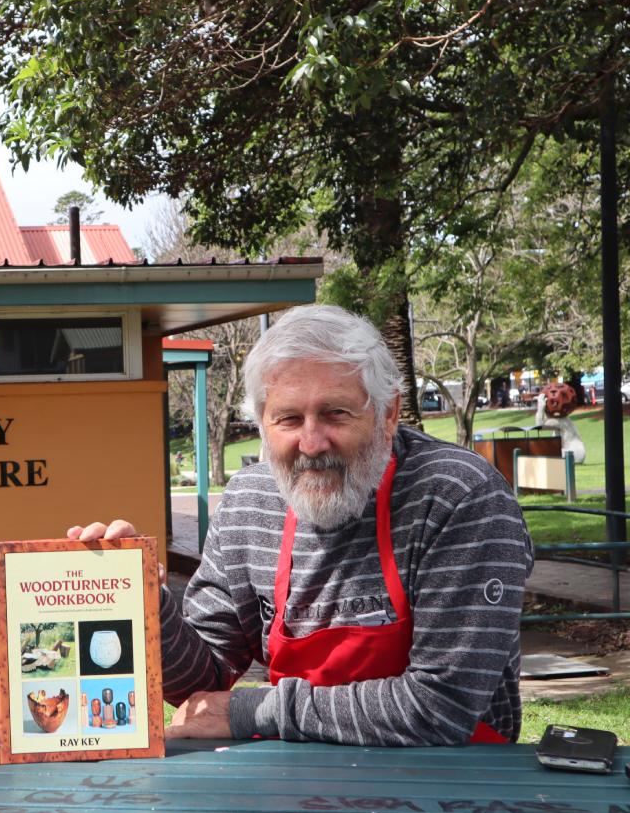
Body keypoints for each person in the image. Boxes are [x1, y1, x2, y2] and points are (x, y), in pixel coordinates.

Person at [71, 305, 533, 746]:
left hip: (451, 787)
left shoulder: (457, 496)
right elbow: (204, 680)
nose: (311, 443)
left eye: (336, 413)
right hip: (299, 788)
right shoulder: (249, 502)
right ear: (262, 425)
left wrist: (254, 711)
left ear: (388, 413)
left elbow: (442, 707)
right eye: (289, 418)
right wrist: (149, 608)